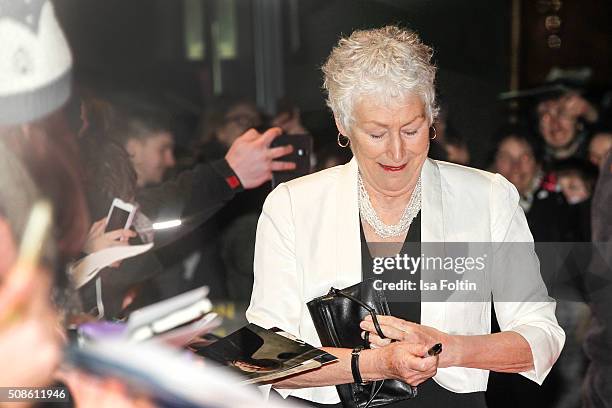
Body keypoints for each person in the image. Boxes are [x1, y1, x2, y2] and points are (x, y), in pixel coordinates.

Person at [246, 26, 565, 407]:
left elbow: (541, 337)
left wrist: (447, 350)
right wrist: (376, 364)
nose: (397, 152)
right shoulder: (294, 206)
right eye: (377, 134)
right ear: (343, 126)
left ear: (432, 117)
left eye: (412, 130)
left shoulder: (487, 197)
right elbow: (263, 359)